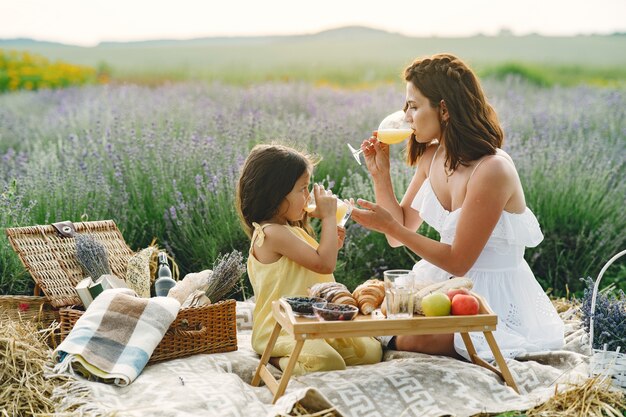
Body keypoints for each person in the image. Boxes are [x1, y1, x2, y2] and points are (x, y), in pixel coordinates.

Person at [351, 53, 564, 360]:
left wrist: (390, 225)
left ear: (445, 109)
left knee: (414, 340)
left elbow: (459, 260)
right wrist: (380, 175)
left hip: (487, 293)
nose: (406, 116)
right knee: (387, 312)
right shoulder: (432, 157)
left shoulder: (492, 170)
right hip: (444, 283)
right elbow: (398, 235)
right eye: (405, 106)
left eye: (413, 106)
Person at [236, 143, 382, 374]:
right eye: (302, 189)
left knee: (371, 352)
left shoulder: (290, 230)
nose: (308, 196)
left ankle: (304, 353)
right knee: (327, 363)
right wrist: (327, 218)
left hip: (314, 321)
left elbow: (318, 260)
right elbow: (324, 263)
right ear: (275, 194)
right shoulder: (272, 233)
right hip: (282, 327)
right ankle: (275, 358)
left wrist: (332, 240)